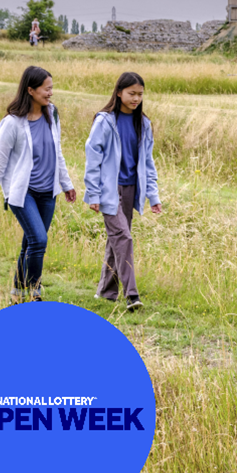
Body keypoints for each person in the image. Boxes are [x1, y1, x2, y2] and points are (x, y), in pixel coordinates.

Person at [0, 66, 78, 303]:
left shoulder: (52, 114)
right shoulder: (12, 123)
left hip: (48, 193)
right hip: (23, 193)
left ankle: (17, 292)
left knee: (30, 243)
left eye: (51, 88)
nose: (50, 93)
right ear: (30, 90)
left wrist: (66, 183)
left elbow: (57, 152)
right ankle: (34, 293)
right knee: (39, 240)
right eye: (47, 89)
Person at [84, 72, 161, 310]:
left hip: (131, 190)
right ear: (119, 93)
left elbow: (148, 163)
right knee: (124, 238)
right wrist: (93, 193)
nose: (136, 98)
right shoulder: (105, 121)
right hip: (109, 190)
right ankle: (132, 295)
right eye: (131, 93)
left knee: (116, 241)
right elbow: (92, 158)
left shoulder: (144, 124)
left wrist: (153, 195)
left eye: (140, 94)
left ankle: (106, 292)